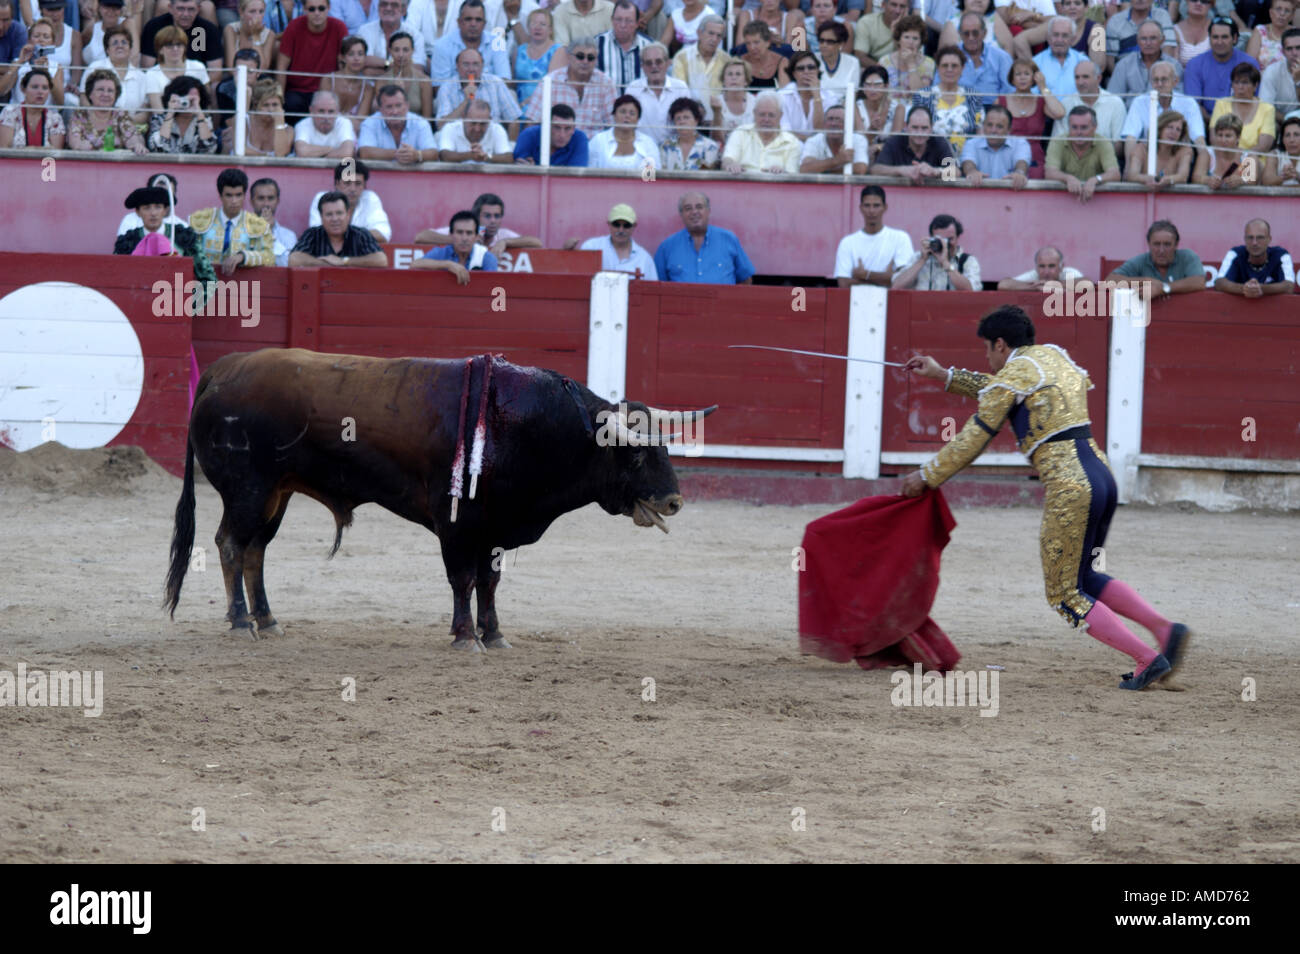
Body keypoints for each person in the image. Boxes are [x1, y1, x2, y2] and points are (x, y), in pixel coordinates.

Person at [902, 305, 1191, 692]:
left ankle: (1145, 658)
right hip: (1102, 478)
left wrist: (927, 475)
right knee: (1085, 575)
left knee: (1064, 593)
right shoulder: (1051, 356)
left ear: (1001, 345)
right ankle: (1163, 628)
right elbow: (1001, 390)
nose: (988, 359)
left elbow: (976, 436)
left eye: (989, 350)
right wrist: (944, 375)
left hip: (1070, 487)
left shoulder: (1016, 373)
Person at [113, 185, 217, 293]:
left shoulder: (183, 237)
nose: (153, 213)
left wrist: (189, 305)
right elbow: (115, 278)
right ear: (138, 212)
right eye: (146, 208)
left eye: (158, 207)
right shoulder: (127, 242)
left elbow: (209, 279)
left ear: (165, 210)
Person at [653, 190, 755, 284]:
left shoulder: (729, 239)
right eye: (688, 208)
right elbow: (658, 286)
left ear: (708, 211)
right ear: (681, 214)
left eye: (699, 207)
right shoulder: (666, 247)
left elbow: (746, 279)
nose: (694, 212)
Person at [521, 35, 617, 134]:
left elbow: (614, 125)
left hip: (594, 147)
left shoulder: (606, 84)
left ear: (596, 60)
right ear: (569, 57)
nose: (585, 61)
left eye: (590, 58)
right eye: (580, 56)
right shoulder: (551, 81)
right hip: (558, 146)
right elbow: (532, 122)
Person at [188, 167, 275, 275]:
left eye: (238, 195)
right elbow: (187, 253)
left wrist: (243, 256)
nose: (234, 201)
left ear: (244, 195)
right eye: (229, 195)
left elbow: (269, 257)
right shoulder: (200, 220)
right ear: (220, 196)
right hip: (205, 285)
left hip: (243, 288)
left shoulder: (258, 225)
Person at [1119, 60, 1205, 163]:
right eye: (1155, 80)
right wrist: (1129, 167)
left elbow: (1198, 138)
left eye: (1164, 79)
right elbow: (1131, 137)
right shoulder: (1140, 102)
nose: (1159, 84)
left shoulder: (1189, 103)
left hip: (1178, 158)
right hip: (1148, 157)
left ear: (1175, 81)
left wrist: (1204, 166)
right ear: (1151, 83)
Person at [415, 191, 542, 258]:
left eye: (497, 216)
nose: (493, 221)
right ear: (476, 217)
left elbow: (536, 243)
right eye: (487, 216)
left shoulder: (503, 235)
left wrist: (505, 243)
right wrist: (462, 240)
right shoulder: (463, 230)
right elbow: (421, 237)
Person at [274, 0, 347, 115]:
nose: (317, 13)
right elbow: (281, 67)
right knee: (291, 103)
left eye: (321, 8)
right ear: (304, 9)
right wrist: (279, 101)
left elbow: (344, 65)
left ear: (329, 8)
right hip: (297, 91)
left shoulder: (339, 27)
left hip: (328, 90)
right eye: (312, 9)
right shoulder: (294, 26)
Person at [833, 184, 912, 287]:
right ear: (861, 208)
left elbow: (906, 281)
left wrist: (865, 274)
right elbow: (843, 284)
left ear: (885, 207)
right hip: (857, 302)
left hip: (892, 302)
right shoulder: (847, 242)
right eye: (867, 205)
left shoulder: (900, 238)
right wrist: (886, 278)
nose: (871, 211)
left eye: (876, 205)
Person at [1104, 219, 1206, 297]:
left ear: (1176, 245)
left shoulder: (1187, 256)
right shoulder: (1141, 260)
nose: (1161, 250)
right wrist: (1147, 281)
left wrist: (1163, 288)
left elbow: (1199, 282)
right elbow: (1109, 282)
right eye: (1156, 244)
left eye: (1167, 244)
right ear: (1149, 244)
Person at [997, 56, 1063, 176]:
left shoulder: (1041, 101)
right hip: (1007, 155)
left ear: (1034, 78)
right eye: (1018, 74)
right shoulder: (1001, 101)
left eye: (1027, 74)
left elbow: (1059, 113)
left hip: (1035, 159)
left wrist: (1043, 87)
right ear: (1012, 79)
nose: (1022, 77)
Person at [906, 44, 980, 151]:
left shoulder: (973, 96)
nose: (949, 69)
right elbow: (914, 131)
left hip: (966, 157)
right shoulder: (923, 95)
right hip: (931, 156)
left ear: (962, 68)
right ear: (938, 67)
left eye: (954, 66)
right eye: (945, 65)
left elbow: (980, 131)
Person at [1184, 18, 1259, 122]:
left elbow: (1254, 100)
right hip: (1205, 122)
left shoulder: (1249, 63)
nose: (1219, 42)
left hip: (1243, 121)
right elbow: (1193, 104)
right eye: (1215, 37)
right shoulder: (1194, 64)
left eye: (1224, 37)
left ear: (1235, 38)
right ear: (1209, 39)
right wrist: (1216, 124)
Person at [435, 45, 522, 134]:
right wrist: (465, 102)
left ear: (482, 66)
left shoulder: (496, 83)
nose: (471, 69)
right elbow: (441, 126)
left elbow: (514, 119)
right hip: (459, 138)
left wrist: (511, 145)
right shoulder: (447, 87)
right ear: (457, 66)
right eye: (466, 64)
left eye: (475, 64)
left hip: (491, 137)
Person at [290, 191, 389, 267]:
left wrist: (344, 261)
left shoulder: (361, 234)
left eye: (339, 213)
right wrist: (326, 263)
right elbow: (293, 259)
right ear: (321, 217)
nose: (335, 219)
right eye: (329, 214)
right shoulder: (312, 234)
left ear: (348, 214)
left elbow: (381, 260)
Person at [1044, 104, 1120, 203]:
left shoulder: (1103, 142)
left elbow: (1115, 174)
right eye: (1074, 127)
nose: (1079, 132)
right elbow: (1049, 173)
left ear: (1095, 127)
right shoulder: (1057, 141)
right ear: (1069, 127)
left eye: (1084, 127)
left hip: (1097, 203)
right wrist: (1067, 178)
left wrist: (1095, 180)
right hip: (1061, 202)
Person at [563, 202, 658, 278]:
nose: (621, 230)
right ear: (608, 224)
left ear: (634, 226)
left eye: (626, 225)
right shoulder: (591, 247)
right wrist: (568, 254)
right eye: (616, 224)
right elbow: (573, 274)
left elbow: (652, 292)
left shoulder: (644, 259)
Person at [624, 40, 692, 142]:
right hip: (642, 148)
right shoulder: (633, 89)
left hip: (674, 148)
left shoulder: (680, 87)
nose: (654, 66)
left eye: (659, 62)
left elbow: (688, 123)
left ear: (668, 63)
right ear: (642, 66)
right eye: (648, 63)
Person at [77, 24, 147, 123]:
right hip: (97, 125)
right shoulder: (94, 68)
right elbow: (84, 100)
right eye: (115, 43)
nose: (120, 46)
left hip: (131, 127)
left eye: (124, 42)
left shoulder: (141, 77)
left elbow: (145, 112)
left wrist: (125, 122)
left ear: (130, 48)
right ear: (107, 50)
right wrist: (102, 120)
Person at [308, 159, 392, 241]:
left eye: (358, 183)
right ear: (337, 184)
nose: (352, 189)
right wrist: (358, 236)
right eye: (347, 183)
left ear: (364, 185)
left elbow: (383, 234)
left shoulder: (370, 198)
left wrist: (342, 235)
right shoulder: (322, 199)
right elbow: (316, 235)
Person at [891, 212, 979, 291]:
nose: (945, 244)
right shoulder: (919, 258)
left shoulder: (967, 261)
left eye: (950, 239)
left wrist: (945, 263)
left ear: (957, 237)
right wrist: (922, 260)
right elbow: (896, 286)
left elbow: (971, 291)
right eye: (941, 239)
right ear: (931, 238)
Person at [721, 90, 802, 173]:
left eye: (771, 115)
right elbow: (728, 159)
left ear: (780, 116)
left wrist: (782, 172)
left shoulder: (792, 142)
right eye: (762, 114)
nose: (766, 119)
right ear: (754, 113)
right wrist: (731, 165)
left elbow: (792, 175)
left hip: (775, 184)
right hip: (742, 183)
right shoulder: (741, 132)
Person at [68, 66, 147, 150]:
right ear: (90, 94)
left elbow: (132, 137)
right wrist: (81, 145)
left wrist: (136, 145)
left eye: (110, 91)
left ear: (116, 96)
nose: (106, 94)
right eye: (100, 89)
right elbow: (75, 142)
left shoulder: (121, 115)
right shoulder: (79, 116)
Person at [870, 103, 955, 181]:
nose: (919, 133)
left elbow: (955, 172)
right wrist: (902, 170)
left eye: (924, 128)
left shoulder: (940, 142)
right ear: (906, 127)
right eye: (915, 127)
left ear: (931, 128)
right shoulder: (894, 141)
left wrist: (935, 171)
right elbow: (876, 169)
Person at [140, 0, 221, 81]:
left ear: (198, 9)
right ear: (170, 8)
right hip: (161, 80)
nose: (186, 14)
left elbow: (216, 72)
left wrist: (193, 86)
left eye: (191, 9)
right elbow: (147, 67)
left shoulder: (209, 29)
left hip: (196, 83)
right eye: (180, 9)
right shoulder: (154, 26)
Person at [1213, 218, 1296, 297]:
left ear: (1269, 239)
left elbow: (1289, 286)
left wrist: (1260, 289)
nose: (1254, 243)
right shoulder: (1235, 254)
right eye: (1250, 237)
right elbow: (1219, 283)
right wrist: (1244, 289)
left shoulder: (1281, 255)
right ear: (1244, 239)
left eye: (1260, 237)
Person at [430, 0, 510, 81]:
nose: (473, 24)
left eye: (478, 20)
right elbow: (439, 87)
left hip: (492, 93)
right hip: (453, 93)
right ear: (459, 22)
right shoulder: (442, 45)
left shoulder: (497, 42)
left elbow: (505, 80)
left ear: (484, 24)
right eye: (468, 19)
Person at [411, 209, 499, 283]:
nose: (464, 238)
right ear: (450, 234)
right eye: (459, 232)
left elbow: (491, 288)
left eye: (469, 233)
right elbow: (414, 265)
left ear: (476, 236)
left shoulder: (486, 257)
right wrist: (448, 264)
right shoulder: (442, 252)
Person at [1107, 18, 1184, 100]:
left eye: (1153, 38)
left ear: (1162, 40)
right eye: (1143, 39)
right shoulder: (1124, 65)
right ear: (1137, 41)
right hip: (1131, 112)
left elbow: (1179, 99)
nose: (1148, 43)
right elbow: (1113, 98)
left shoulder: (1174, 66)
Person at [357, 82, 436, 162]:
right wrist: (399, 154)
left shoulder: (420, 123)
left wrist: (417, 155)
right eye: (389, 107)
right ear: (380, 109)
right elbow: (364, 152)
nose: (395, 111)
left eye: (398, 105)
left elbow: (433, 153)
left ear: (407, 106)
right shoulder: (369, 123)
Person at [1052, 60, 1125, 145]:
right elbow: (1058, 142)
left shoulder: (1115, 103)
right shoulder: (1066, 103)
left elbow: (1118, 143)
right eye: (1077, 77)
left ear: (1098, 78)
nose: (1080, 82)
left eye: (1085, 77)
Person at [1209, 61, 1275, 151]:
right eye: (1236, 82)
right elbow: (1214, 138)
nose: (1240, 87)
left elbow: (1263, 146)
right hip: (1224, 155)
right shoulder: (1221, 103)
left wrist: (1239, 157)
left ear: (1255, 85)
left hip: (1252, 159)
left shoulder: (1267, 109)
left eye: (1245, 82)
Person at [960, 103, 1029, 186]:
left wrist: (1019, 173)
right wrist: (972, 172)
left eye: (999, 126)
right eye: (989, 125)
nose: (993, 130)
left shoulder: (1020, 143)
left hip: (1011, 195)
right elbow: (968, 162)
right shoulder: (971, 144)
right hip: (978, 195)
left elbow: (1022, 163)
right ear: (983, 126)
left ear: (1009, 129)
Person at [143, 24, 209, 110]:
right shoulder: (152, 74)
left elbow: (207, 102)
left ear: (185, 47)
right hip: (165, 121)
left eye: (179, 44)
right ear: (160, 50)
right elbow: (158, 110)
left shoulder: (198, 67)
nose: (175, 49)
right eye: (169, 45)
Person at [587, 91, 660, 168]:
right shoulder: (598, 140)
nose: (627, 116)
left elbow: (652, 175)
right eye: (623, 112)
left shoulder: (648, 143)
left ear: (637, 119)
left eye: (632, 113)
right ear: (614, 115)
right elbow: (589, 173)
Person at [954, 11, 1011, 107]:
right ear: (960, 34)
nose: (971, 38)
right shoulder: (950, 56)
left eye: (975, 33)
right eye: (966, 34)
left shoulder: (1001, 57)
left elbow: (1009, 90)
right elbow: (939, 87)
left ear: (984, 33)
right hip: (958, 109)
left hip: (993, 110)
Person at [223, 76, 292, 154]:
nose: (271, 110)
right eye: (265, 105)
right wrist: (267, 157)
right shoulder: (243, 120)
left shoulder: (288, 130)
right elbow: (240, 151)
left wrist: (279, 124)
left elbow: (280, 154)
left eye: (275, 105)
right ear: (256, 105)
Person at [148, 73, 218, 151]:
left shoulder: (204, 119)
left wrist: (199, 114)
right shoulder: (159, 118)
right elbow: (157, 147)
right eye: (184, 98)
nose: (187, 103)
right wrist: (170, 112)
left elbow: (210, 149)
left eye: (192, 99)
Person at [1124, 108, 1194, 185]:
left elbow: (1183, 177)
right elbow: (1132, 176)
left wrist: (1165, 180)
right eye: (1170, 127)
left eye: (1178, 130)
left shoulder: (1185, 151)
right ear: (1160, 128)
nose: (1174, 132)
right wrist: (1154, 180)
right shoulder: (1141, 148)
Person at [513, 7, 567, 106]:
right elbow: (512, 84)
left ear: (550, 30)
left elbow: (552, 86)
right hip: (518, 105)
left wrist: (526, 104)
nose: (538, 27)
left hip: (544, 104)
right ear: (528, 28)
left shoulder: (558, 50)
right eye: (534, 23)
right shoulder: (518, 51)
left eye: (543, 24)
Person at [320, 34, 375, 132]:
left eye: (360, 54)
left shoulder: (367, 88)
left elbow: (360, 123)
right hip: (326, 129)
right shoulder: (328, 80)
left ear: (365, 58)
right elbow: (323, 114)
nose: (356, 58)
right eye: (351, 54)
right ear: (343, 58)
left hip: (352, 133)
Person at [1104, 0, 1175, 73]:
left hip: (1157, 75)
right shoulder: (1115, 21)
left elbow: (1168, 50)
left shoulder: (1162, 16)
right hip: (1125, 75)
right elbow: (1110, 60)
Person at [596, 0, 652, 91]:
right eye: (618, 19)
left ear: (637, 23)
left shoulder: (649, 46)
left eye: (629, 21)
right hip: (607, 103)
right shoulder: (598, 44)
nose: (623, 25)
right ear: (612, 20)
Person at [0, 66, 64, 145]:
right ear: (23, 89)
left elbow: (55, 154)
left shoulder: (55, 118)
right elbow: (4, 149)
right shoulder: (9, 112)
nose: (40, 92)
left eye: (45, 88)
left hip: (45, 158)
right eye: (35, 87)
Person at [799, 101, 868, 172]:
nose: (834, 124)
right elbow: (804, 169)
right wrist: (837, 161)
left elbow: (860, 169)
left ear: (848, 124)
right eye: (830, 119)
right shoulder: (814, 140)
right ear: (824, 124)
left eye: (839, 120)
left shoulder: (858, 139)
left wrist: (822, 168)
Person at [377, 31, 434, 119]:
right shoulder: (382, 81)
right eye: (396, 50)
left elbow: (427, 118)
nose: (401, 54)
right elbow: (380, 115)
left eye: (405, 50)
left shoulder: (424, 81)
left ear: (412, 51)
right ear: (390, 51)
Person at [437, 96, 513, 160]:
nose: (477, 129)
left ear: (489, 120)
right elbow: (444, 155)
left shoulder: (497, 129)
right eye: (473, 123)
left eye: (483, 124)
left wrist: (487, 156)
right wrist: (471, 156)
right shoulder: (450, 128)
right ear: (463, 117)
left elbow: (508, 157)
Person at [357, 0, 426, 70]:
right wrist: (390, 64)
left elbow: (418, 68)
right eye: (384, 4)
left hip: (404, 81)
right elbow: (364, 61)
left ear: (403, 10)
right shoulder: (365, 30)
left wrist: (380, 67)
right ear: (378, 8)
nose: (388, 8)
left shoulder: (415, 34)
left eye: (394, 5)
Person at [514, 100, 590, 163]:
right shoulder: (529, 134)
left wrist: (535, 171)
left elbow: (575, 177)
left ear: (573, 129)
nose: (562, 135)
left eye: (567, 128)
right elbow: (519, 170)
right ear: (546, 127)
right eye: (557, 127)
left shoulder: (580, 138)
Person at [1192, 112, 1250, 188]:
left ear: (1238, 137)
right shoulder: (1207, 154)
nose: (1223, 140)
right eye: (1220, 135)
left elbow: (1252, 180)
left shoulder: (1248, 156)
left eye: (1228, 136)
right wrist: (1208, 180)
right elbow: (1196, 177)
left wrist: (1241, 181)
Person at [659, 94, 719, 168]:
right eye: (678, 118)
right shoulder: (666, 146)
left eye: (686, 117)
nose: (682, 122)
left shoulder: (710, 146)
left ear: (696, 120)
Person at [118, 171, 186, 235]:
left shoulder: (182, 227)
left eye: (166, 195)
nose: (154, 213)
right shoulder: (130, 221)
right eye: (157, 194)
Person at [293, 87, 357, 156]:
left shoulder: (344, 123)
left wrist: (315, 154)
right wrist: (332, 149)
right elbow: (301, 152)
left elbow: (347, 153)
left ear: (337, 112)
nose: (326, 117)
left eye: (331, 111)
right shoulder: (302, 125)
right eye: (321, 111)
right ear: (311, 111)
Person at [1032, 16, 1085, 98]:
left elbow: (1091, 91)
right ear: (1048, 38)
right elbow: (1032, 96)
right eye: (1055, 35)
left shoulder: (1083, 61)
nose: (1059, 40)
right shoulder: (1036, 63)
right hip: (1046, 109)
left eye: (1065, 36)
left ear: (1073, 39)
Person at [249, 176, 296, 267]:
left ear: (277, 201)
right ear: (252, 201)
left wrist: (269, 233)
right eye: (261, 198)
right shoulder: (241, 230)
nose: (266, 204)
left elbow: (288, 265)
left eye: (270, 198)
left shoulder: (289, 236)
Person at [880, 13, 932, 96]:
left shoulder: (929, 63)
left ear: (921, 42)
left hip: (915, 107)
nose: (910, 42)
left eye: (915, 38)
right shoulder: (884, 61)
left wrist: (911, 64)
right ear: (899, 39)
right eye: (906, 37)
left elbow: (921, 95)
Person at [222, 0, 274, 77]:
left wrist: (256, 36)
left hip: (257, 80)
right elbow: (231, 66)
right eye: (252, 11)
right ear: (241, 12)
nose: (257, 16)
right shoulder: (231, 29)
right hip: (234, 78)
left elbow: (262, 70)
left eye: (261, 11)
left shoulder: (269, 34)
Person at [996, 245, 1084, 290]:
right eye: (1042, 266)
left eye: (1051, 266)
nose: (1046, 271)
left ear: (1061, 267)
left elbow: (1087, 283)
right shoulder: (1034, 275)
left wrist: (1052, 285)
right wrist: (1035, 287)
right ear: (1036, 268)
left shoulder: (1069, 273)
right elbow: (1003, 284)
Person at [1259, 27, 1300, 118]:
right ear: (1283, 52)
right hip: (1281, 122)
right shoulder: (1272, 71)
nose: (1294, 53)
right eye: (1289, 49)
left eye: (1298, 48)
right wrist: (1288, 121)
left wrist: (1298, 83)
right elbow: (1266, 107)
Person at [852, 0, 907, 68]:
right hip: (874, 69)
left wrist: (896, 34)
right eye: (893, 5)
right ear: (883, 5)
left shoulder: (911, 28)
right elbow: (860, 57)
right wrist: (886, 70)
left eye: (902, 6)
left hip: (900, 68)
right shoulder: (866, 22)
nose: (897, 11)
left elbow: (909, 59)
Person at [738, 21, 789, 90]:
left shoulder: (782, 62)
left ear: (768, 42)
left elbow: (785, 92)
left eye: (756, 42)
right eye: (748, 43)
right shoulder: (741, 61)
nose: (752, 47)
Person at [714, 57, 756, 140]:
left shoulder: (755, 102)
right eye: (730, 74)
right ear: (723, 81)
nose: (733, 78)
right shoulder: (716, 102)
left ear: (746, 81)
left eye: (738, 74)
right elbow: (715, 139)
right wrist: (717, 112)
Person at [1244, 0, 1293, 72]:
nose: (1282, 13)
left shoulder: (1296, 33)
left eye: (1287, 10)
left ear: (1292, 16)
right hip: (1262, 80)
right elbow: (1249, 63)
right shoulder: (1260, 31)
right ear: (1271, 13)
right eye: (1278, 9)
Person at [1171, 0, 1213, 67]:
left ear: (1210, 5)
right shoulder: (1175, 30)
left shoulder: (1216, 28)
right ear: (1187, 2)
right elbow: (1173, 66)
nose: (1198, 3)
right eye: (1194, 0)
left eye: (1204, 1)